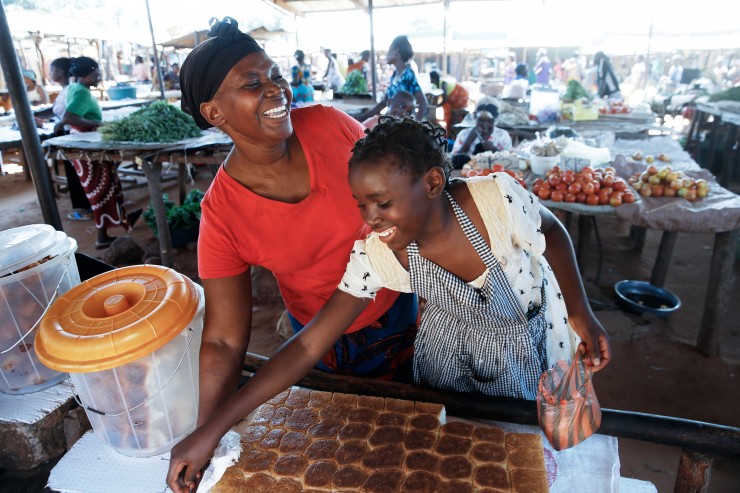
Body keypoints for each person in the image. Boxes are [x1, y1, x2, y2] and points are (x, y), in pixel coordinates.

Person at [166, 117, 611, 491]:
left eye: (383, 202)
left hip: (523, 351)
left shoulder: (494, 202)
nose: (370, 219)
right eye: (360, 204)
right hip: (444, 363)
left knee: (524, 454)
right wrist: (212, 429)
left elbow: (551, 232)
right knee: (457, 459)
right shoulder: (379, 255)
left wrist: (579, 311)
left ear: (433, 182)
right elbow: (307, 345)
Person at [167, 17, 418, 491]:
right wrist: (206, 432)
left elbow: (401, 202)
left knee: (403, 446)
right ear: (214, 112)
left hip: (397, 314)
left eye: (275, 75)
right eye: (252, 83)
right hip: (317, 344)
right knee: (341, 456)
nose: (276, 89)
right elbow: (222, 341)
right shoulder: (222, 214)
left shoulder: (329, 127)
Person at [62, 56, 141, 248]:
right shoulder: (81, 92)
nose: (98, 77)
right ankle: (102, 237)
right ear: (84, 75)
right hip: (87, 149)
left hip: (85, 145)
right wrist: (98, 124)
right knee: (100, 189)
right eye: (95, 74)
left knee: (108, 184)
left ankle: (119, 219)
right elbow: (69, 117)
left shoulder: (75, 88)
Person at [49, 57, 92, 222]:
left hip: (71, 136)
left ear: (60, 72)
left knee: (75, 174)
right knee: (75, 173)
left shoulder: (71, 90)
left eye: (52, 70)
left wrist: (61, 123)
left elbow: (69, 116)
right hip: (69, 135)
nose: (50, 74)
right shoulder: (67, 89)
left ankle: (84, 209)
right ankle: (84, 207)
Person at [359, 35, 428, 122]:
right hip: (392, 123)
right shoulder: (394, 75)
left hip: (402, 127)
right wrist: (362, 117)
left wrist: (416, 123)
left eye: (389, 50)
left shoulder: (408, 74)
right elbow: (384, 103)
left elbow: (423, 102)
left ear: (397, 51)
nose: (387, 54)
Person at [451, 103, 512, 168]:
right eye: (481, 120)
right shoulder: (464, 134)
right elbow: (453, 160)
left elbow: (510, 162)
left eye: (490, 121)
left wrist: (494, 149)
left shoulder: (503, 135)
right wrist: (469, 140)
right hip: (468, 171)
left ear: (494, 121)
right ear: (475, 118)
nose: (485, 124)